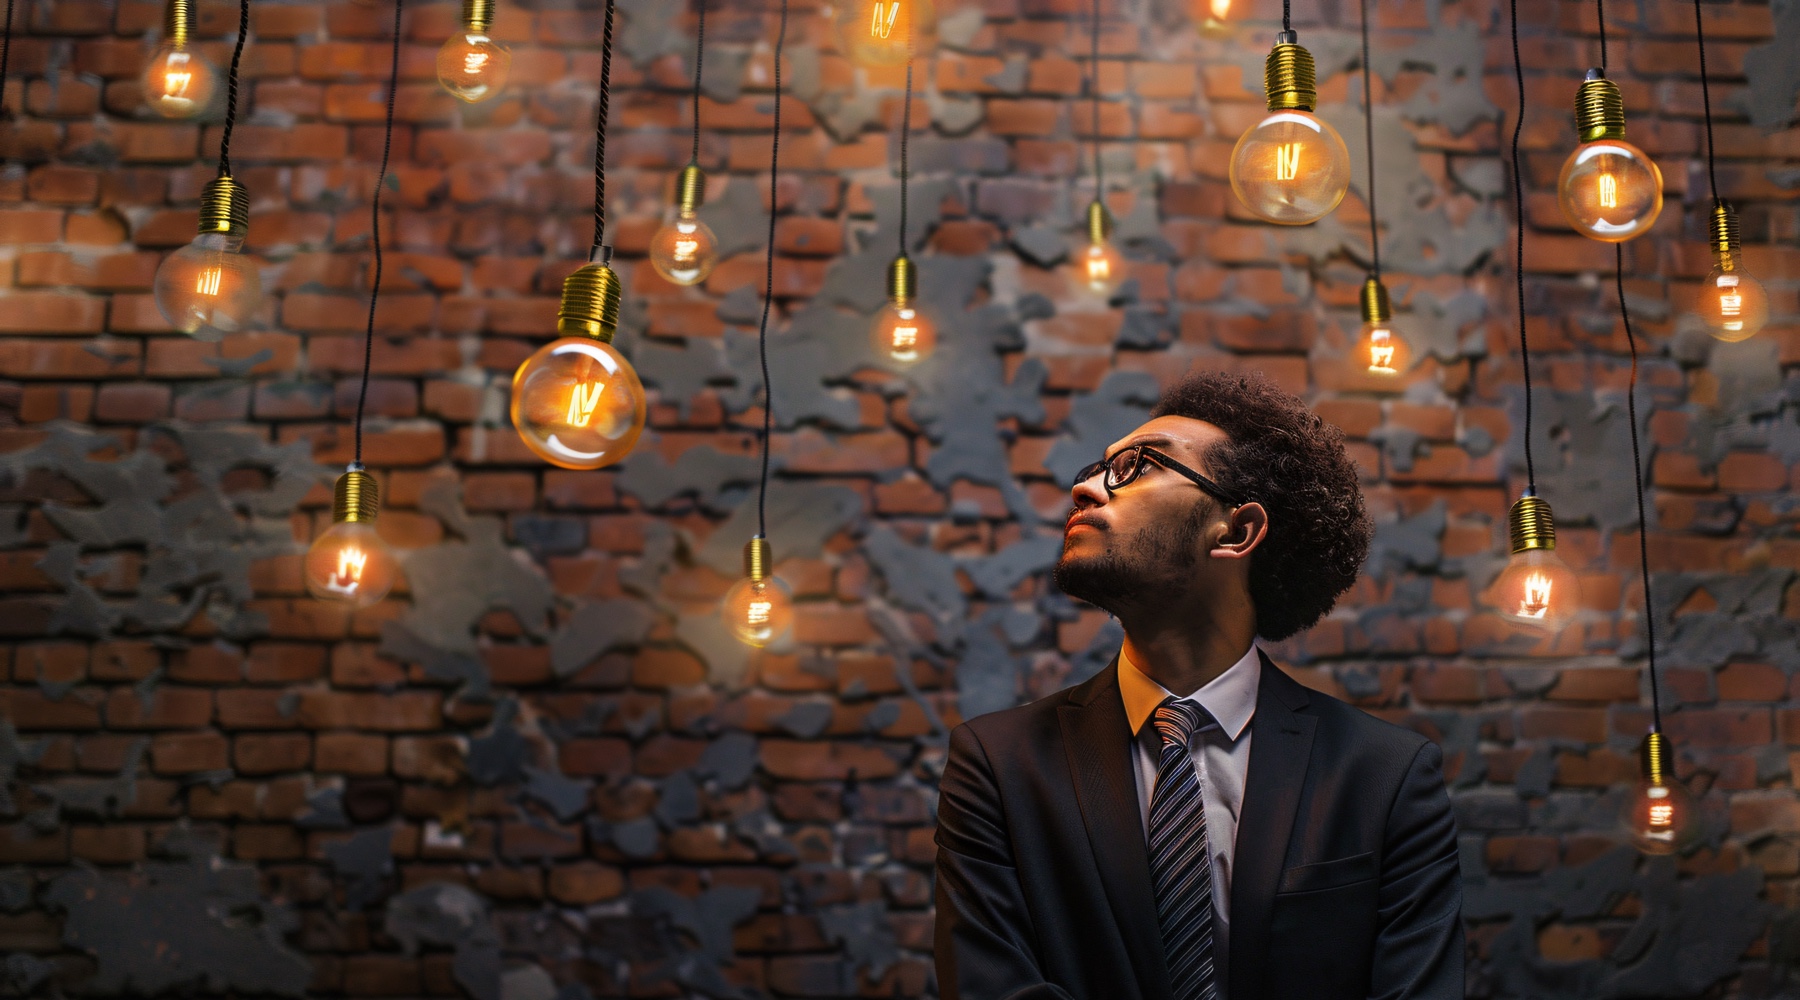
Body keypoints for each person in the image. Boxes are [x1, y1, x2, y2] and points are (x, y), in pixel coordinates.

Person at [934, 369, 1463, 1000]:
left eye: (1136, 466)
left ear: (1237, 532)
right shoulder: (998, 765)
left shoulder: (1386, 776)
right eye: (1097, 467)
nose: (1084, 487)